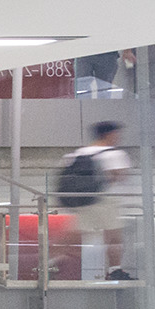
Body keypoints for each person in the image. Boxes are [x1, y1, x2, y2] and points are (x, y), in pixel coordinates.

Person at [57, 119, 134, 280]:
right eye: (116, 134)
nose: (118, 137)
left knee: (77, 235)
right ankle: (115, 270)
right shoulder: (115, 154)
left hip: (83, 200)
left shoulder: (78, 153)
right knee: (114, 237)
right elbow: (119, 176)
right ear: (110, 134)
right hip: (106, 200)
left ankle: (51, 261)